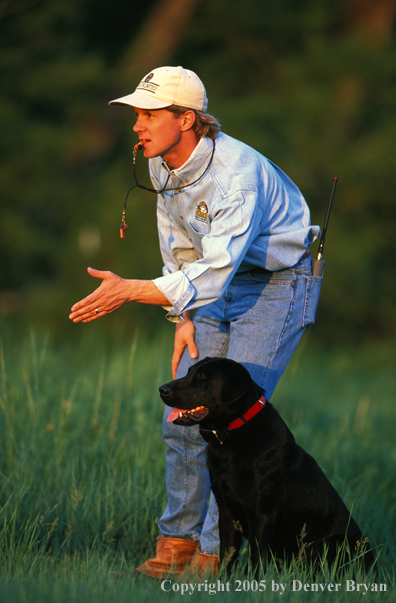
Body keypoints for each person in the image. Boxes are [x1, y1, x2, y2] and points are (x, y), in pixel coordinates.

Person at [69, 66, 322, 578]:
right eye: (136, 114)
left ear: (187, 119)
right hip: (209, 288)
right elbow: (180, 245)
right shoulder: (162, 163)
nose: (137, 125)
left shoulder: (236, 174)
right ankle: (177, 543)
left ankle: (215, 555)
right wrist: (181, 315)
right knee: (183, 416)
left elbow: (217, 268)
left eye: (149, 114)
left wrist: (130, 291)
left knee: (233, 423)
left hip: (277, 284)